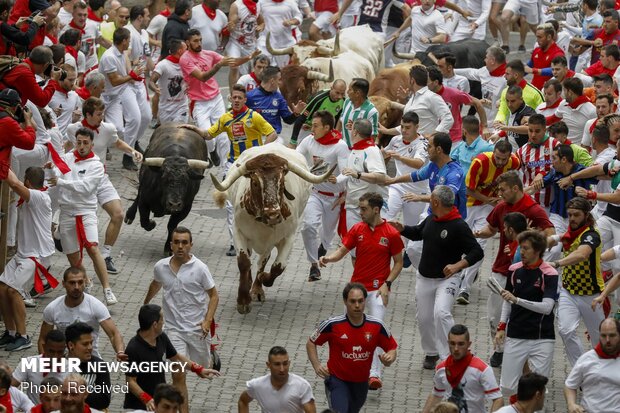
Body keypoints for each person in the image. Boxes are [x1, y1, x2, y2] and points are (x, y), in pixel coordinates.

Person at [392, 185, 483, 369]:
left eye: (430, 198)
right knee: (424, 318)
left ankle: (450, 355)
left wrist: (458, 265)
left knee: (441, 313)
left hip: (447, 279)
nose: (429, 200)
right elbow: (418, 233)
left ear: (435, 202)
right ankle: (431, 352)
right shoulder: (431, 219)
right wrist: (402, 228)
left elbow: (477, 251)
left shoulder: (458, 225)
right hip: (425, 277)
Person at [320, 192, 403, 388]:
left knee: (374, 332)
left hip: (377, 292)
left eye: (364, 209)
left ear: (376, 209)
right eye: (360, 208)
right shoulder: (357, 229)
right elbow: (342, 251)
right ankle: (340, 368)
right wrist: (328, 258)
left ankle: (374, 374)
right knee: (344, 331)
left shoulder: (391, 234)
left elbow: (398, 263)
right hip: (356, 291)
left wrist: (387, 284)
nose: (360, 212)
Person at [473, 171, 555, 368]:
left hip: (525, 273)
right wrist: (477, 233)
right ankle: (499, 349)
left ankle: (519, 355)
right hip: (500, 268)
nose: (499, 194)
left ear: (515, 188)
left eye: (503, 190)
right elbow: (491, 229)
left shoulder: (533, 210)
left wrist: (528, 240)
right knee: (494, 315)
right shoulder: (501, 207)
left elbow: (551, 235)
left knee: (517, 316)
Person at [182, 84, 276, 255]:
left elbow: (272, 133)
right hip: (232, 164)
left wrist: (261, 152)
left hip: (252, 164)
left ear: (245, 100)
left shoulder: (254, 117)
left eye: (240, 98)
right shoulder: (225, 119)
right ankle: (235, 243)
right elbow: (209, 135)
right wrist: (193, 128)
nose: (237, 100)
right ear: (230, 99)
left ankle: (259, 237)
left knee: (257, 201)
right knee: (231, 205)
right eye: (234, 97)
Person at [144, 226, 219, 406]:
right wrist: (146, 304)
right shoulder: (161, 267)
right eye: (176, 242)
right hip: (173, 330)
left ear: (191, 245)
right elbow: (156, 284)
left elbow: (214, 296)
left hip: (197, 329)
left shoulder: (200, 268)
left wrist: (207, 321)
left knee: (202, 366)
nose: (180, 246)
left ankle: (211, 352)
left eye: (184, 242)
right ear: (171, 245)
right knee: (178, 375)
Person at [67, 98, 142, 274]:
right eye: (99, 114)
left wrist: (133, 151)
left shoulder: (108, 128)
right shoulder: (73, 129)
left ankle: (106, 255)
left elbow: (116, 143)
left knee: (118, 214)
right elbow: (69, 149)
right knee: (72, 220)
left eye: (103, 113)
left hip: (100, 178)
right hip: (80, 179)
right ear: (88, 115)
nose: (103, 117)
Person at [48, 127, 117, 304]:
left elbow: (86, 188)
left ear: (92, 144)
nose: (81, 146)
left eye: (85, 143)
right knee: (72, 256)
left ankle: (107, 289)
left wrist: (62, 182)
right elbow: (58, 171)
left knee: (93, 248)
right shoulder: (68, 157)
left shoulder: (96, 165)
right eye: (79, 142)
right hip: (66, 212)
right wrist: (51, 169)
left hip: (86, 211)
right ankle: (85, 282)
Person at [306, 282, 398, 413]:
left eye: (360, 301)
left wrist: (390, 357)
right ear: (345, 301)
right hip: (337, 381)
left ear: (365, 301)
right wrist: (316, 366)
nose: (357, 305)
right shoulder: (332, 325)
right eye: (352, 301)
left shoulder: (376, 326)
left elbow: (392, 347)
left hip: (361, 383)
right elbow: (311, 342)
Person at [494, 230, 558, 400]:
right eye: (520, 248)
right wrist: (501, 326)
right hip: (516, 335)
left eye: (525, 248)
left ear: (537, 251)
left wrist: (518, 300)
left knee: (537, 389)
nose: (520, 252)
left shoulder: (550, 273)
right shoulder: (514, 270)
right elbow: (507, 300)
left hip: (542, 337)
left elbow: (547, 307)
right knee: (507, 387)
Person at [456, 140, 520, 305]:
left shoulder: (515, 162)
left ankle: (465, 288)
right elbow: (469, 188)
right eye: (497, 158)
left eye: (503, 159)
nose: (500, 162)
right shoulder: (480, 162)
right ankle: (458, 274)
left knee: (480, 246)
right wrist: (488, 200)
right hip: (469, 205)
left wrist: (499, 200)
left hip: (488, 209)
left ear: (509, 156)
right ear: (494, 152)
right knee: (461, 243)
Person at [123, 304, 220, 411]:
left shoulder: (161, 338)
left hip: (159, 404)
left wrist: (198, 369)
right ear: (154, 324)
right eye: (162, 319)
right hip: (141, 406)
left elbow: (176, 357)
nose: (163, 322)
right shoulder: (133, 349)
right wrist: (147, 399)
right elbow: (130, 381)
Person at [0, 168, 56, 352]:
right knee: (2, 288)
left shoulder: (40, 197)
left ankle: (24, 337)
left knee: (13, 291)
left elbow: (14, 184)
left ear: (29, 182)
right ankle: (10, 332)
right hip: (23, 254)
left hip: (36, 256)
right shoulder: (32, 195)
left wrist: (2, 163)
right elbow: (15, 181)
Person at [545, 197, 606, 366]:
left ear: (586, 215)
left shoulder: (592, 235)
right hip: (568, 292)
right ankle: (582, 370)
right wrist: (547, 240)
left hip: (591, 294)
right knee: (566, 330)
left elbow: (582, 254)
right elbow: (561, 237)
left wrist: (557, 263)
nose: (571, 219)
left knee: (599, 338)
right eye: (570, 214)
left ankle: (606, 369)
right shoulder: (572, 232)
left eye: (576, 215)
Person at [297, 110, 349, 281]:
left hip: (334, 197)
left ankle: (324, 247)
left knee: (327, 234)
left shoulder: (339, 145)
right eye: (312, 124)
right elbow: (296, 157)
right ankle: (313, 266)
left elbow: (347, 172)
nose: (312, 128)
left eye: (316, 125)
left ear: (327, 127)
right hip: (316, 193)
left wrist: (337, 179)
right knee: (308, 226)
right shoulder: (309, 140)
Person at [180, 28, 243, 166]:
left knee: (224, 136)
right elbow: (203, 77)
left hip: (216, 98)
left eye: (200, 40)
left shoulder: (209, 54)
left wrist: (249, 57)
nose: (199, 43)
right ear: (187, 43)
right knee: (208, 136)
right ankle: (212, 151)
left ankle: (227, 168)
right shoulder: (185, 60)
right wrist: (219, 65)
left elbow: (233, 61)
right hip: (199, 103)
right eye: (195, 41)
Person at [38, 266, 125, 359]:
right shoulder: (52, 308)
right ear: (63, 284)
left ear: (85, 282)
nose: (76, 287)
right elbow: (43, 340)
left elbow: (114, 334)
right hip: (64, 362)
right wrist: (46, 363)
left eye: (80, 282)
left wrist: (120, 352)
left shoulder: (96, 305)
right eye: (72, 283)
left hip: (91, 359)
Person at [422, 324, 503, 413]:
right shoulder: (442, 368)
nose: (456, 348)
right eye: (452, 343)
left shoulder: (482, 369)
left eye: (461, 344)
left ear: (469, 344)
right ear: (448, 343)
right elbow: (436, 395)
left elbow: (498, 399)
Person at [98, 27, 146, 170]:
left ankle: (129, 154)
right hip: (107, 95)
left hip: (123, 90)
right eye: (129, 40)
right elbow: (114, 81)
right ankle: (107, 147)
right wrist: (132, 75)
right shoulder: (109, 57)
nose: (130, 43)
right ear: (124, 41)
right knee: (117, 128)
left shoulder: (122, 52)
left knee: (136, 118)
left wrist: (133, 72)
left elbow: (125, 74)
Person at [338, 119, 387, 237]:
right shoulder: (356, 149)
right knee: (353, 248)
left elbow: (381, 177)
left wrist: (358, 174)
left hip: (369, 209)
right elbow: (351, 177)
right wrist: (345, 194)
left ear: (355, 132)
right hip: (353, 206)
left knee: (370, 248)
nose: (349, 131)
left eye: (352, 129)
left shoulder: (371, 151)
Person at [564, 318, 620, 413]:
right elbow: (570, 386)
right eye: (603, 335)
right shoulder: (586, 359)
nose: (607, 340)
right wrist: (571, 404)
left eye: (612, 335)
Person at [238, 346, 316, 413]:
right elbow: (243, 401)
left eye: (285, 364)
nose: (282, 369)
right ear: (268, 365)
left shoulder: (302, 386)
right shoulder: (257, 385)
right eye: (277, 364)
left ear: (289, 363)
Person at [246, 65, 306, 145]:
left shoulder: (279, 98)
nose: (280, 83)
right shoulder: (250, 97)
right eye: (279, 79)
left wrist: (296, 113)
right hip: (255, 137)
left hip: (274, 138)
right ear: (272, 81)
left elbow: (288, 120)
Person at [454, 46, 507, 126]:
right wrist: (451, 71)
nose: (484, 60)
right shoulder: (485, 71)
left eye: (486, 58)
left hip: (500, 125)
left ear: (492, 61)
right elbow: (469, 72)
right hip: (484, 123)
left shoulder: (507, 78)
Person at [64, 322, 111, 411]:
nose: (90, 347)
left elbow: (104, 400)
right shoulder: (59, 365)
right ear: (71, 345)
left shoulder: (99, 365)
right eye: (85, 344)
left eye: (91, 343)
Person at [12, 329, 66, 404]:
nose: (55, 356)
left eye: (60, 352)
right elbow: (10, 387)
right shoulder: (29, 363)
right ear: (44, 347)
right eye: (51, 351)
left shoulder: (72, 368)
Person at [516, 114, 558, 209]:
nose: (533, 135)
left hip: (552, 204)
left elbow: (563, 169)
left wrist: (542, 174)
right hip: (530, 203)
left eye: (537, 131)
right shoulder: (521, 151)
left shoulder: (555, 144)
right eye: (530, 131)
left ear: (545, 129)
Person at [290, 79, 346, 147]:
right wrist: (293, 141)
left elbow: (336, 119)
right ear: (331, 88)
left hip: (324, 132)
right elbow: (301, 119)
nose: (339, 96)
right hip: (309, 129)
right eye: (337, 93)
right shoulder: (318, 99)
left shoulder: (343, 101)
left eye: (342, 94)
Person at [226, 0, 265, 88]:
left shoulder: (258, 4)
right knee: (234, 66)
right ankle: (233, 94)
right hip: (236, 43)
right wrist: (231, 25)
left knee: (250, 73)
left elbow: (262, 21)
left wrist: (261, 27)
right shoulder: (236, 5)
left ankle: (249, 94)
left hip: (250, 44)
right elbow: (232, 21)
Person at [546, 78, 597, 146]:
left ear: (570, 92)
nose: (562, 94)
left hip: (581, 151)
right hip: (565, 149)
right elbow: (553, 119)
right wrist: (535, 120)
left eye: (564, 90)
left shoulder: (592, 110)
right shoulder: (563, 104)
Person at [149, 39, 188, 123]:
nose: (188, 52)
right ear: (180, 51)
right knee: (168, 134)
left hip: (182, 107)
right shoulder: (163, 65)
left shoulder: (187, 64)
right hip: (165, 109)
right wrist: (155, 89)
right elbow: (151, 81)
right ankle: (154, 118)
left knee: (178, 131)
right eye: (186, 49)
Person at [257, 0, 302, 67]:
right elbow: (255, 15)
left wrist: (291, 22)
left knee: (284, 69)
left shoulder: (291, 2)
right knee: (263, 67)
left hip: (285, 43)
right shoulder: (261, 2)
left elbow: (299, 17)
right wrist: (260, 24)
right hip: (265, 42)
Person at [337, 78, 379, 148]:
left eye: (350, 90)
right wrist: (336, 140)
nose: (347, 92)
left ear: (357, 93)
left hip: (359, 153)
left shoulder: (371, 111)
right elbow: (340, 121)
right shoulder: (347, 102)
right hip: (343, 150)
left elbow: (373, 137)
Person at [526, 24, 565, 90]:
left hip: (550, 92)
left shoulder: (558, 53)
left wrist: (534, 70)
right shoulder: (536, 50)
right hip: (535, 90)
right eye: (537, 37)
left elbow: (555, 70)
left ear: (549, 37)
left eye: (540, 37)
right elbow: (529, 66)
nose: (537, 40)